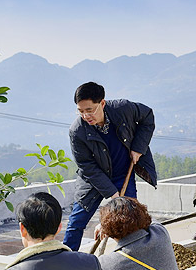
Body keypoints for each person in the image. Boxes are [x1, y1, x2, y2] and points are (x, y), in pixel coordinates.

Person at [64, 81, 157, 251]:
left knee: (130, 219)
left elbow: (147, 117)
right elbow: (86, 166)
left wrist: (138, 148)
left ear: (102, 103)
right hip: (93, 179)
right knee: (76, 222)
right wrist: (114, 195)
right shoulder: (77, 131)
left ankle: (135, 254)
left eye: (90, 110)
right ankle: (66, 261)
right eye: (81, 111)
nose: (86, 116)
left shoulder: (123, 109)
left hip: (123, 174)